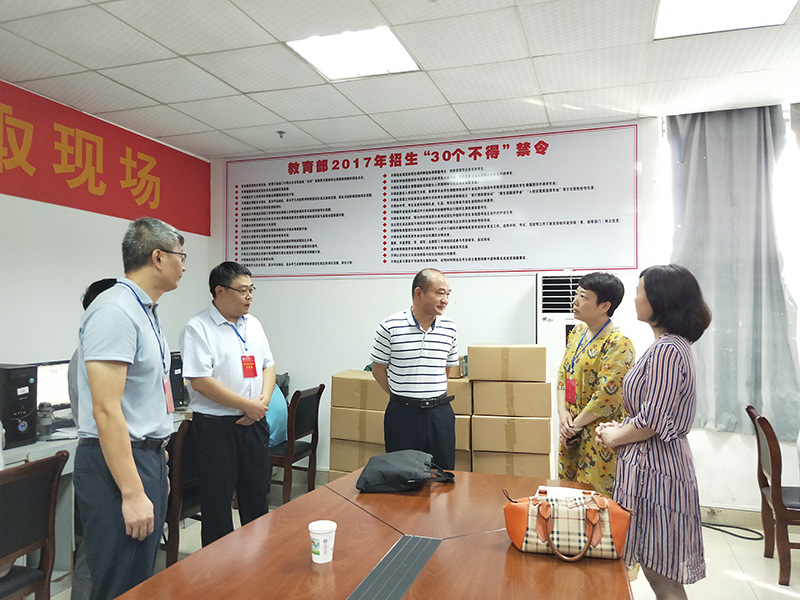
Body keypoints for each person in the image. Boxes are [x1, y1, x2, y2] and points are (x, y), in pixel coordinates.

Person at [74, 217, 185, 600]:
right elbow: (106, 410)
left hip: (144, 457)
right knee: (117, 581)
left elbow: (144, 396)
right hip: (116, 464)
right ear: (158, 257)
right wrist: (133, 491)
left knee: (138, 578)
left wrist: (158, 460)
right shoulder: (115, 311)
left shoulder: (145, 311)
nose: (183, 265)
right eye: (180, 256)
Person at [596, 264, 711, 599]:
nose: (634, 299)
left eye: (639, 292)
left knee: (662, 575)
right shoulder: (671, 346)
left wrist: (614, 437)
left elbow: (652, 421)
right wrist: (621, 427)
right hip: (653, 467)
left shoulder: (667, 350)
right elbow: (651, 413)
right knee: (655, 568)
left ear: (661, 300)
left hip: (655, 473)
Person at [180, 261, 275, 547]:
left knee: (257, 497)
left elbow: (268, 365)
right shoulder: (198, 328)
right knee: (217, 503)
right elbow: (200, 381)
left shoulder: (253, 324)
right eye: (242, 290)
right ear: (219, 291)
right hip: (217, 428)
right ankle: (218, 567)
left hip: (254, 423)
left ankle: (258, 558)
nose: (249, 296)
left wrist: (262, 403)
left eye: (251, 289)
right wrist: (246, 405)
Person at [370, 268, 461, 470]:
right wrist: (401, 396)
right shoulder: (389, 327)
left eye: (448, 294)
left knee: (442, 474)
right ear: (419, 293)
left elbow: (446, 370)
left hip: (440, 415)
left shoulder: (450, 328)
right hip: (403, 415)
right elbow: (378, 370)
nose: (445, 300)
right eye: (440, 293)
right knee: (403, 475)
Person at [557, 272, 635, 496]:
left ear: (604, 306)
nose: (575, 301)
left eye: (583, 296)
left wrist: (574, 426)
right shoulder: (577, 332)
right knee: (568, 495)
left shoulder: (618, 344)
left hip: (598, 435)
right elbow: (563, 374)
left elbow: (606, 397)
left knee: (595, 499)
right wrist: (563, 415)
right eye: (576, 294)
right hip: (571, 429)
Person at [66, 277, 116, 600]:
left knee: (109, 545)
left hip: (119, 454)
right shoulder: (87, 357)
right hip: (101, 455)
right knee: (96, 545)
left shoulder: (110, 353)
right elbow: (105, 415)